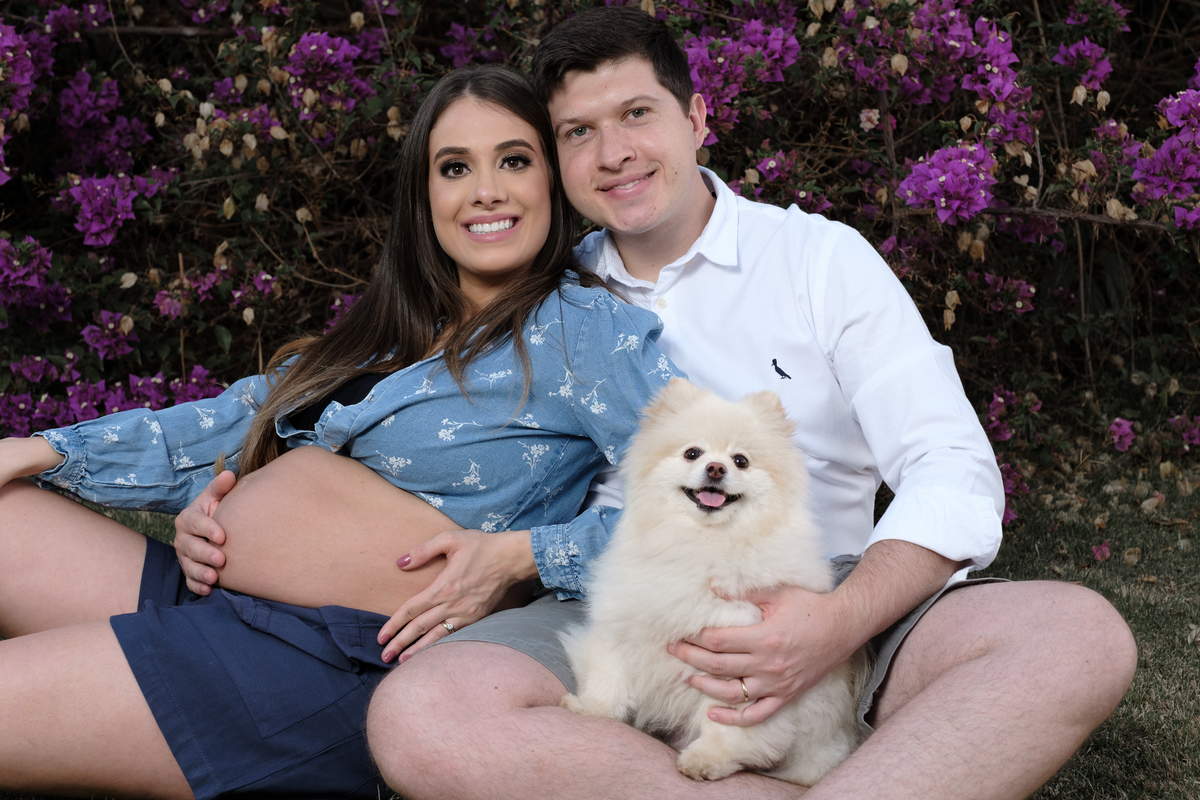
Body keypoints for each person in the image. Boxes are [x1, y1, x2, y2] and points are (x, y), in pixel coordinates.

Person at [351, 7, 1138, 799]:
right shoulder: (547, 293)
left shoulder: (816, 260)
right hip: (615, 598)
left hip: (822, 585)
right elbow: (421, 419)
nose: (613, 152)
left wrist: (835, 623)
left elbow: (951, 466)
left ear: (696, 118)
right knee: (422, 715)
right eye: (578, 132)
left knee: (1075, 639)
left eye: (636, 114)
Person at [0, 64, 684, 799]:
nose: (486, 190)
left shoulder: (585, 331)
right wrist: (41, 450)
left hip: (330, 661)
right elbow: (237, 416)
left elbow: (693, 515)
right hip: (218, 600)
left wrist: (525, 558)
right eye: (455, 167)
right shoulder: (395, 327)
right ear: (424, 195)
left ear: (552, 180)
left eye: (513, 160)